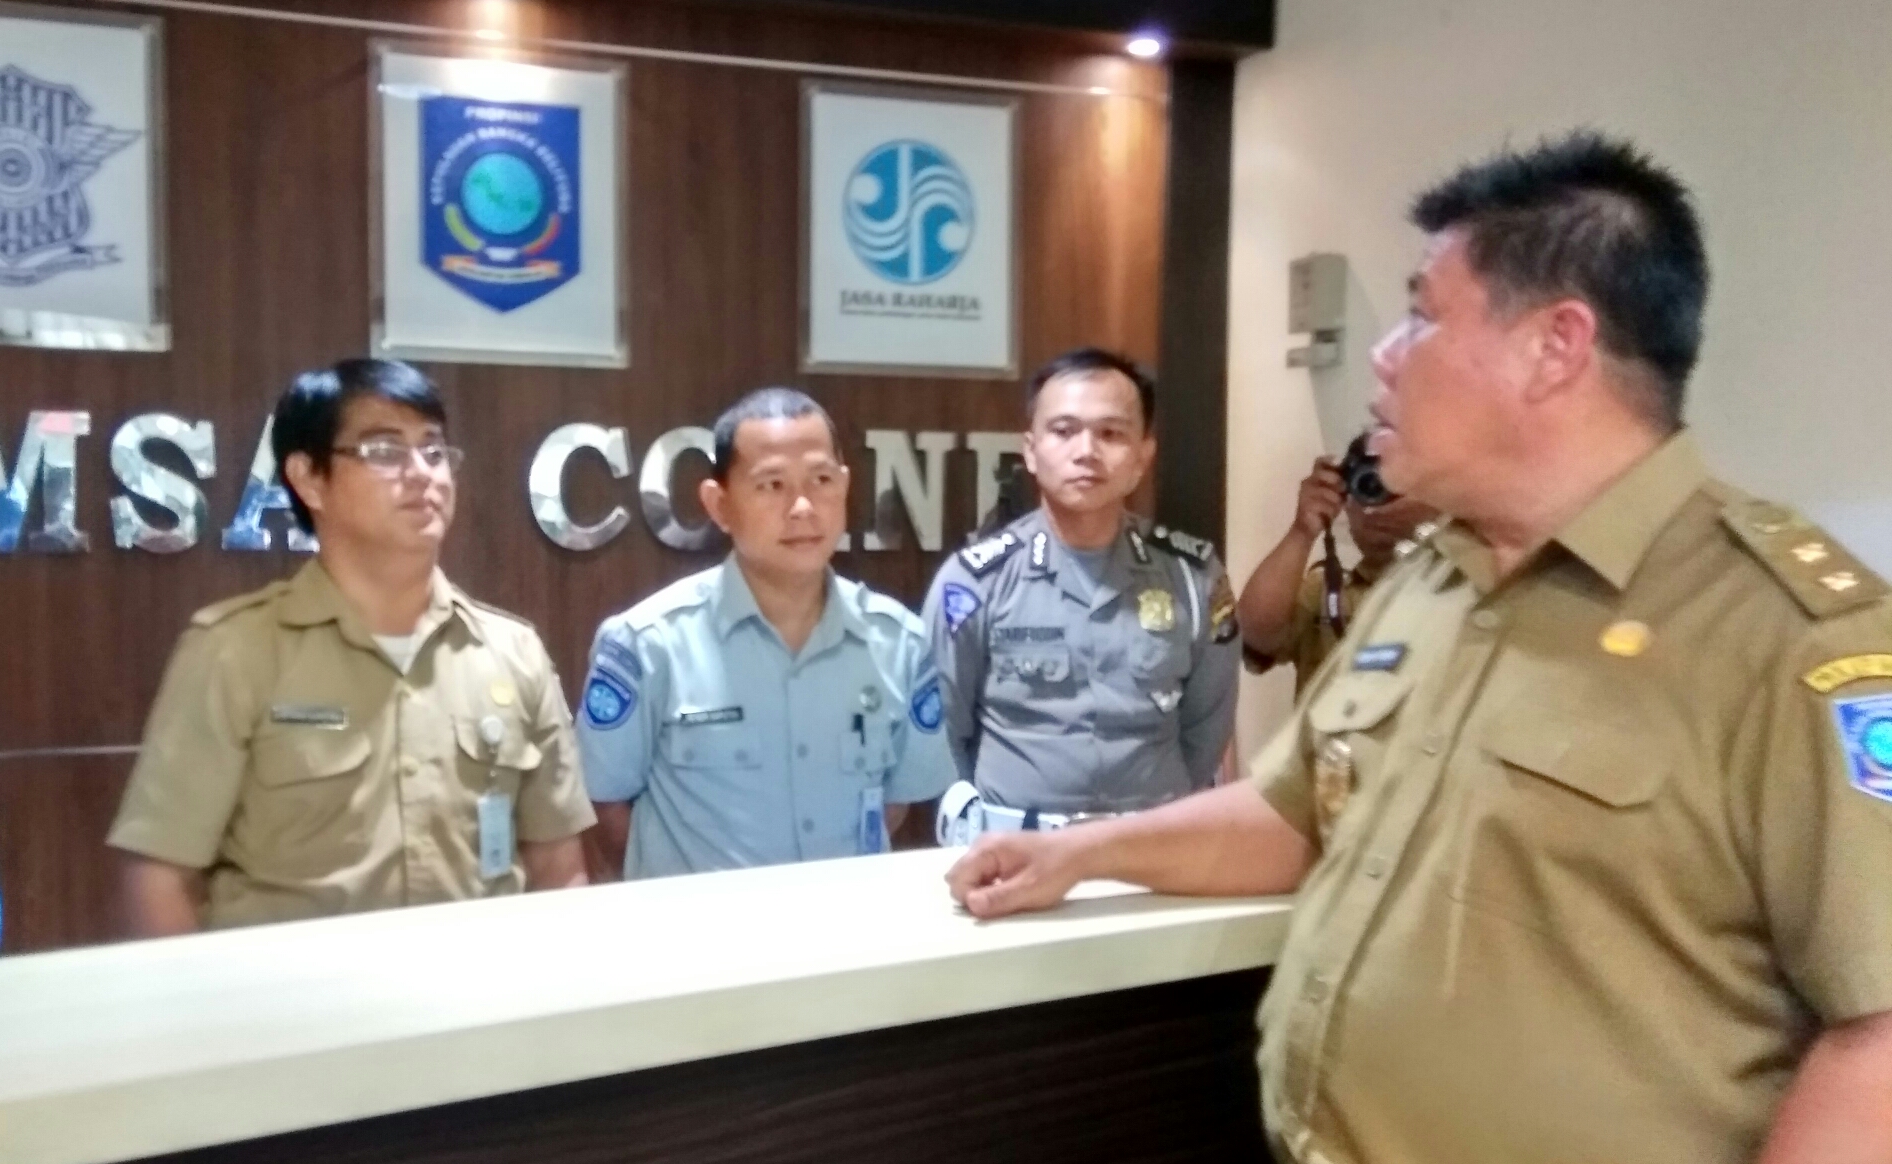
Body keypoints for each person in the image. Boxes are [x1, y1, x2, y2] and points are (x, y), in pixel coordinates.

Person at [943, 132, 1892, 1164]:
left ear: (1554, 346)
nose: (1384, 357)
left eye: (1420, 315)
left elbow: (1879, 1029)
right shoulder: (1436, 583)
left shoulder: (1786, 631)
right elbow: (1293, 814)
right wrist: (1087, 851)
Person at [111, 359, 593, 934]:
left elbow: (559, 869)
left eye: (434, 450)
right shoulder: (234, 651)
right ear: (309, 479)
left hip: (473, 982)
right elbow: (162, 879)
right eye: (385, 451)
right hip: (290, 990)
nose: (422, 473)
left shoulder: (513, 652)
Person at [577, 387, 956, 879]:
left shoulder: (898, 642)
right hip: (700, 926)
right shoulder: (648, 644)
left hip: (848, 921)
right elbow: (604, 806)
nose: (803, 507)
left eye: (821, 480)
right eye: (772, 485)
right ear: (719, 505)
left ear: (844, 486)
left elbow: (896, 802)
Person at [919, 347, 1241, 825]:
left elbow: (1206, 731)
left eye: (1111, 433)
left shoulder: (1193, 577)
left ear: (1143, 455)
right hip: (1018, 847)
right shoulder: (974, 582)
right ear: (1030, 451)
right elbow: (943, 738)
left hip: (1151, 846)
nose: (1086, 451)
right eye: (1064, 431)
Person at [1237, 452, 1437, 695]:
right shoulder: (1323, 591)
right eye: (1367, 485)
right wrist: (1303, 530)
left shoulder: (1459, 589)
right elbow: (1254, 636)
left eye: (1395, 488)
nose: (1377, 506)